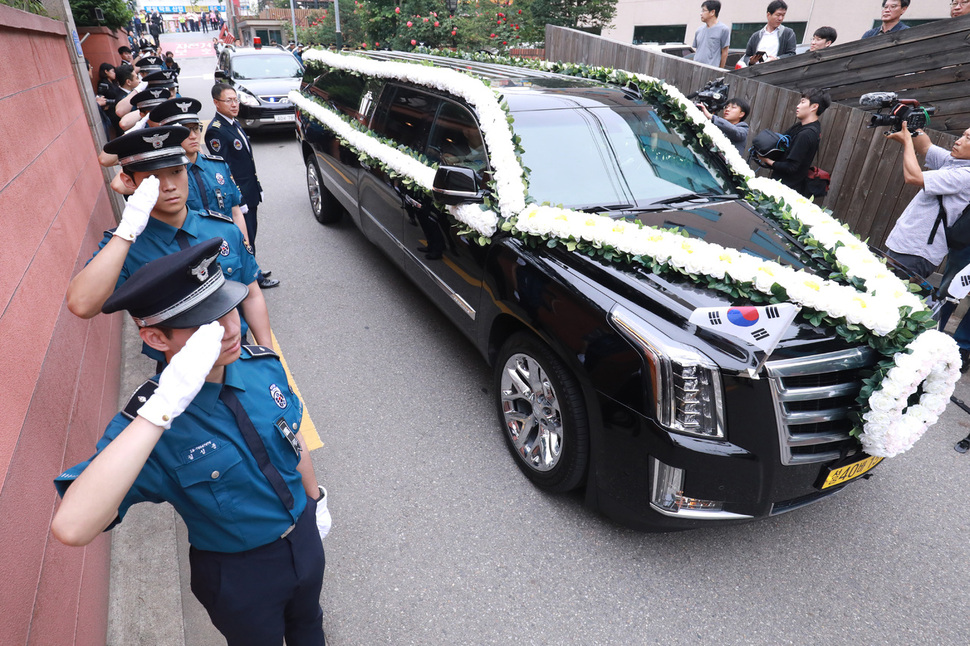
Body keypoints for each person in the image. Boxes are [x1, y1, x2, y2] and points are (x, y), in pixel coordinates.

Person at [52, 240, 328, 646]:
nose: (232, 329)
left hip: (304, 538)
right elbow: (72, 528)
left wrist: (314, 501)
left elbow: (293, 437)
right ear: (157, 338)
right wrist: (162, 409)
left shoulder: (260, 364)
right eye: (206, 324)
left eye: (228, 308)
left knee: (310, 627)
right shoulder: (147, 427)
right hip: (240, 574)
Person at [66, 125, 273, 352]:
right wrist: (126, 232)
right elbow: (81, 305)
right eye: (153, 178)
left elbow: (251, 296)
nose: (169, 186)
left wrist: (268, 355)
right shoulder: (125, 247)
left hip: (238, 353)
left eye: (176, 171)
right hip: (179, 372)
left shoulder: (223, 230)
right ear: (129, 182)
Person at [883, 122, 970, 338]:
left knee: (888, 307)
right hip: (906, 245)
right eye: (962, 134)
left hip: (917, 251)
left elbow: (913, 176)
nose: (958, 140)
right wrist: (910, 124)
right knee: (883, 298)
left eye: (968, 138)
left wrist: (906, 143)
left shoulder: (966, 175)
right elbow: (926, 146)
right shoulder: (954, 163)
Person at [149, 97, 251, 245]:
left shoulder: (218, 166)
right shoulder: (162, 177)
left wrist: (245, 247)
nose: (193, 136)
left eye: (196, 128)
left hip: (229, 248)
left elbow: (235, 211)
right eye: (185, 130)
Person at [206, 83, 279, 288]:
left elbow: (246, 162)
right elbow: (223, 171)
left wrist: (257, 186)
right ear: (216, 103)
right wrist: (239, 199)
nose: (234, 104)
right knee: (245, 238)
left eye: (235, 99)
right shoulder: (216, 131)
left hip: (250, 191)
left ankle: (253, 268)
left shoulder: (233, 123)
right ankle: (253, 277)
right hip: (240, 197)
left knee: (251, 234)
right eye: (228, 100)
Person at [758, 88, 830, 199]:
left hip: (784, 194)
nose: (798, 106)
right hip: (780, 188)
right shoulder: (801, 127)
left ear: (814, 107)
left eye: (802, 102)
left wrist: (767, 160)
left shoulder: (806, 134)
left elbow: (791, 167)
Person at [693, 1, 731, 68]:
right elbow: (698, 51)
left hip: (711, 72)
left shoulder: (723, 29)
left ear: (712, 12)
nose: (701, 14)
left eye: (704, 10)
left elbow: (724, 53)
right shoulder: (698, 30)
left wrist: (720, 71)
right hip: (696, 70)